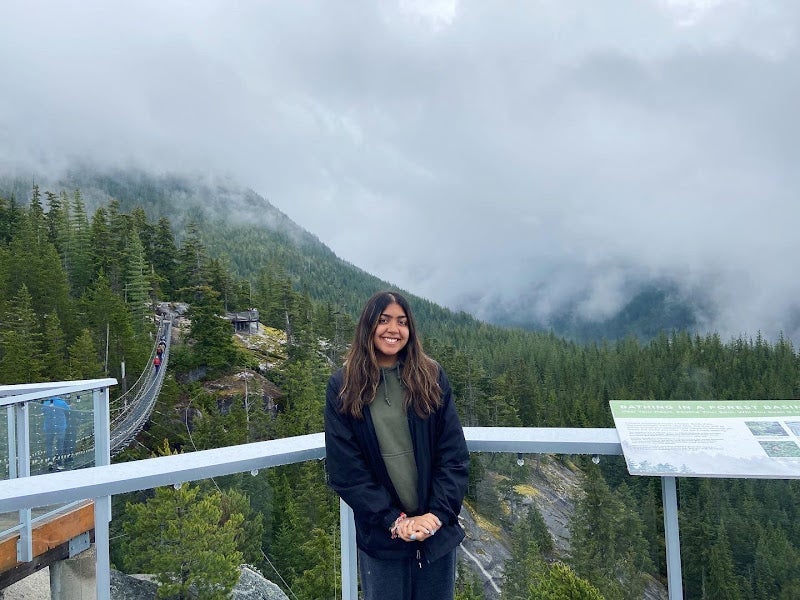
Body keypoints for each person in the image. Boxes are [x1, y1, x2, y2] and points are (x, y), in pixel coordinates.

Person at [324, 291, 469, 600]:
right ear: (368, 327)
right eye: (384, 320)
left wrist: (436, 515)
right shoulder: (344, 386)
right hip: (382, 535)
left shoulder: (430, 376)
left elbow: (453, 456)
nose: (394, 329)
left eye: (402, 322)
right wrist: (392, 519)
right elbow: (346, 470)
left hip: (435, 533)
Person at [41, 396, 70, 470]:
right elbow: (68, 411)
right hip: (60, 427)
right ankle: (59, 463)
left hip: (49, 427)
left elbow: (43, 411)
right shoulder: (62, 403)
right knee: (60, 444)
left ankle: (50, 461)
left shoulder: (46, 403)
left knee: (49, 444)